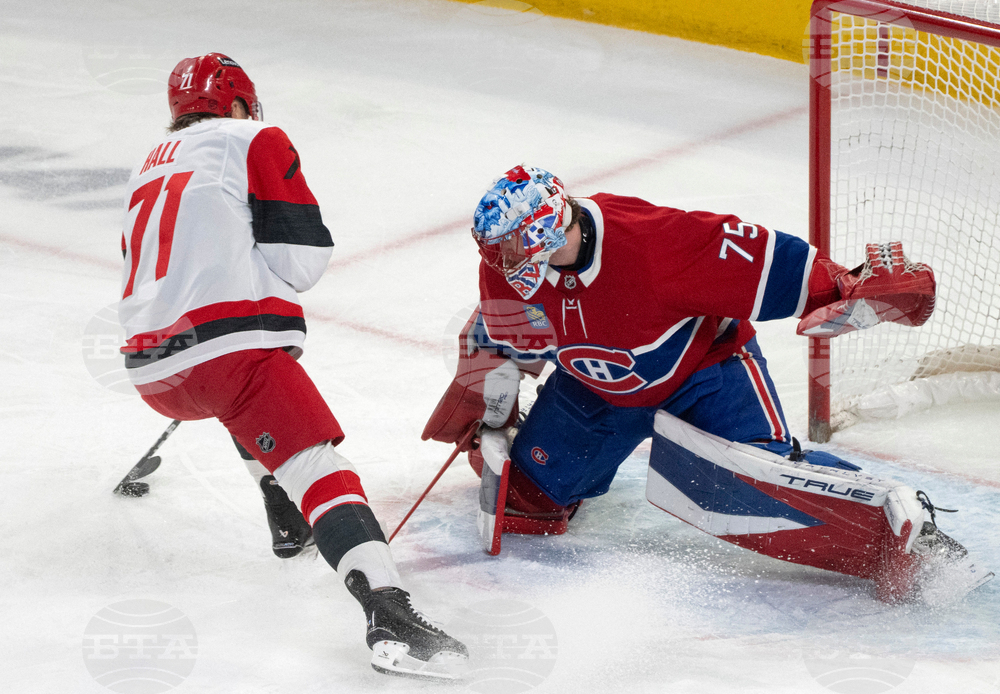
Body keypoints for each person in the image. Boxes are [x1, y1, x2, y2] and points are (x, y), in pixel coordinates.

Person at [423, 164, 992, 601]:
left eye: (511, 245)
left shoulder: (654, 241)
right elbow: (511, 344)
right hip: (593, 390)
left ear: (546, 227)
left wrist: (847, 285)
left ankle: (914, 535)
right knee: (526, 505)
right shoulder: (505, 270)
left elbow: (765, 263)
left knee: (760, 483)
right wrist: (492, 401)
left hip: (705, 373)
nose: (500, 260)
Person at [117, 53, 467, 679]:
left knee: (244, 404)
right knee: (318, 465)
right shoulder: (254, 137)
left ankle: (283, 516)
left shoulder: (147, 165)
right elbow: (302, 262)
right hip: (227, 356)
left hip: (150, 371)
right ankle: (388, 612)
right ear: (238, 104)